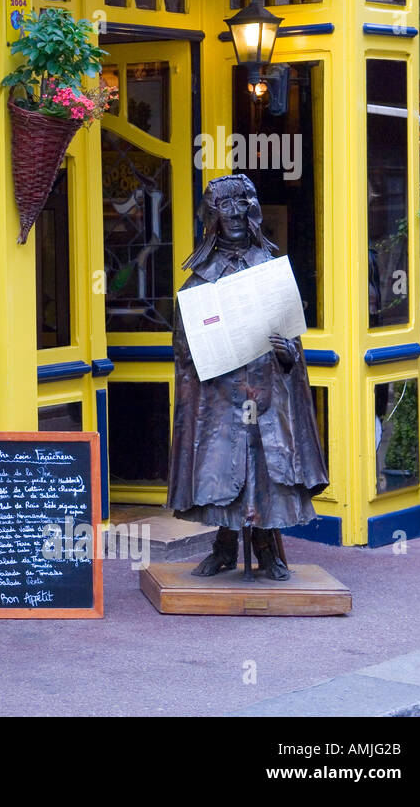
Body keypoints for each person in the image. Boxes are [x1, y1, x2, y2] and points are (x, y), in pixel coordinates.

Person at [168, 174, 329, 580]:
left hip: (267, 392)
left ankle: (266, 548)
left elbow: (295, 347)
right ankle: (224, 545)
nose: (235, 213)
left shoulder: (270, 270)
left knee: (265, 466)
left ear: (253, 210)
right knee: (225, 466)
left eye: (242, 204)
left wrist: (289, 354)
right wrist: (201, 350)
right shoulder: (200, 276)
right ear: (213, 215)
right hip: (219, 395)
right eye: (225, 206)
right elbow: (183, 345)